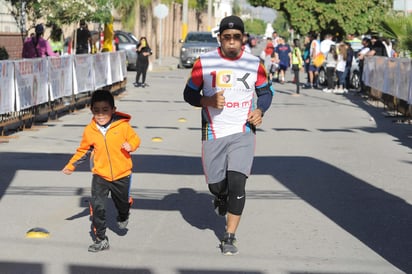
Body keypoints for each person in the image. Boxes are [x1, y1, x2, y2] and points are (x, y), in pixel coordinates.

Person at [183, 15, 274, 255]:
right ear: (220, 38)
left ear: (243, 38)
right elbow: (189, 94)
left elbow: (265, 93)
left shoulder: (254, 63)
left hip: (242, 131)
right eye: (227, 37)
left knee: (237, 182)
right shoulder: (205, 62)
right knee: (217, 185)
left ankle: (229, 235)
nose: (232, 41)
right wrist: (208, 100)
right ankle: (220, 197)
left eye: (236, 37)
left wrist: (259, 109)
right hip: (213, 132)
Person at [62, 90, 141, 252]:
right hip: (100, 175)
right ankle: (101, 238)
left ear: (113, 109)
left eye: (105, 110)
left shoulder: (123, 126)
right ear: (91, 110)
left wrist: (131, 145)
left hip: (122, 174)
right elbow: (83, 150)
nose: (100, 115)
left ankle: (124, 212)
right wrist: (71, 165)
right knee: (98, 206)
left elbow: (135, 139)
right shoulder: (90, 130)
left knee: (122, 204)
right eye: (96, 110)